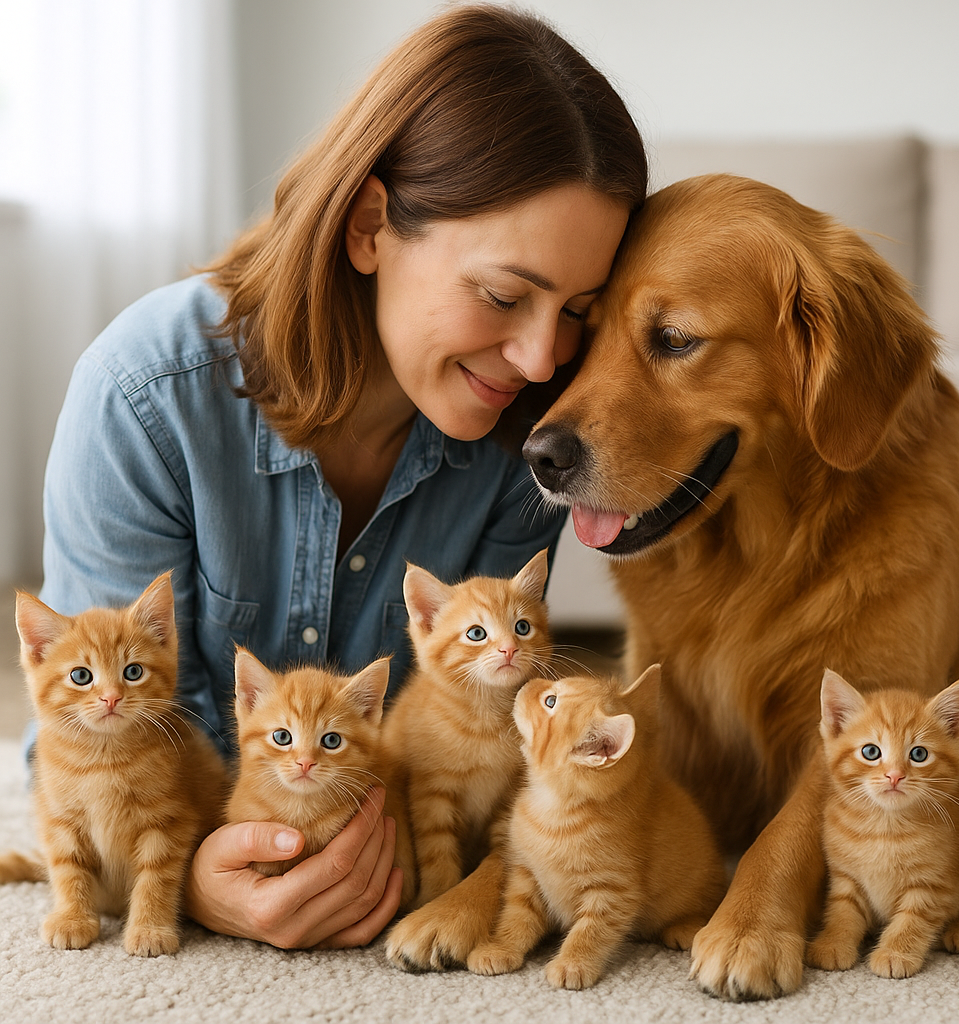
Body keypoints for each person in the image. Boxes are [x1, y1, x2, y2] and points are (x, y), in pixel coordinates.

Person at [37, 4, 647, 949]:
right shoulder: (141, 400)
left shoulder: (531, 439)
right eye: (502, 293)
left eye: (577, 311)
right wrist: (196, 880)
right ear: (370, 226)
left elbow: (478, 742)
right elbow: (86, 744)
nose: (538, 359)